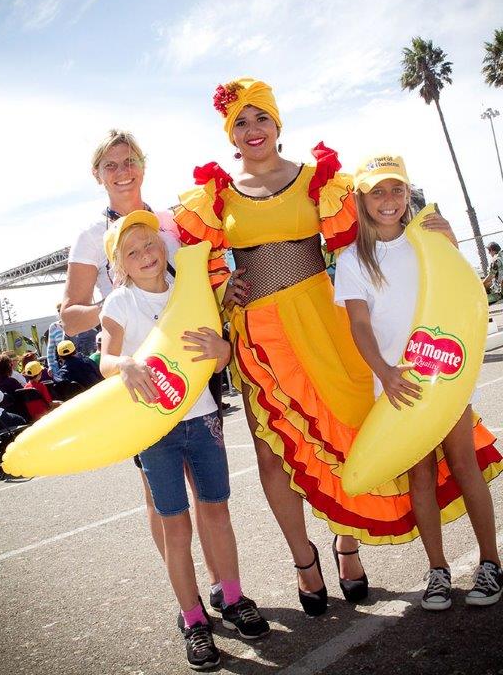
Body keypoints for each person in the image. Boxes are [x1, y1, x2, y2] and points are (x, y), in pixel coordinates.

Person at [174, 77, 412, 615]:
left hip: (325, 319)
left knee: (347, 427)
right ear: (230, 135)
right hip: (260, 333)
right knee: (272, 453)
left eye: (261, 117)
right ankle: (305, 561)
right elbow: (202, 263)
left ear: (278, 123)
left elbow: (368, 243)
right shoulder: (214, 197)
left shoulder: (321, 180)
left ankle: (346, 541)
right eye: (240, 122)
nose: (252, 129)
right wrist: (221, 285)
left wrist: (429, 238)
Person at [60, 128, 224, 623]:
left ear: (143, 164)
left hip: (195, 365)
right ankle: (188, 602)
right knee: (161, 497)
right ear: (97, 175)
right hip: (137, 376)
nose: (122, 171)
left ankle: (225, 588)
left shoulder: (174, 222)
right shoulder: (91, 236)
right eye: (110, 165)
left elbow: (200, 281)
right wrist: (118, 303)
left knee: (211, 493)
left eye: (129, 160)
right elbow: (69, 316)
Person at [100, 211, 269, 669]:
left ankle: (232, 599)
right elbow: (105, 360)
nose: (145, 255)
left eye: (149, 244)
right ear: (120, 264)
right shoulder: (119, 304)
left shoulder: (189, 292)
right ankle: (193, 618)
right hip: (154, 430)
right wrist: (125, 365)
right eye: (131, 252)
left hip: (204, 420)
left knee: (216, 510)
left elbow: (217, 359)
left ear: (162, 246)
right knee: (175, 525)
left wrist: (223, 351)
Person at [334, 154, 503, 609]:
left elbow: (467, 293)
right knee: (421, 477)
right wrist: (385, 373)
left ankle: (491, 563)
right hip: (396, 385)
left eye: (397, 190)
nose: (388, 200)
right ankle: (438, 571)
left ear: (408, 194)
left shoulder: (428, 239)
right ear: (362, 199)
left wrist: (449, 242)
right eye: (378, 192)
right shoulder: (352, 260)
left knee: (465, 463)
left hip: (444, 373)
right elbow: (360, 327)